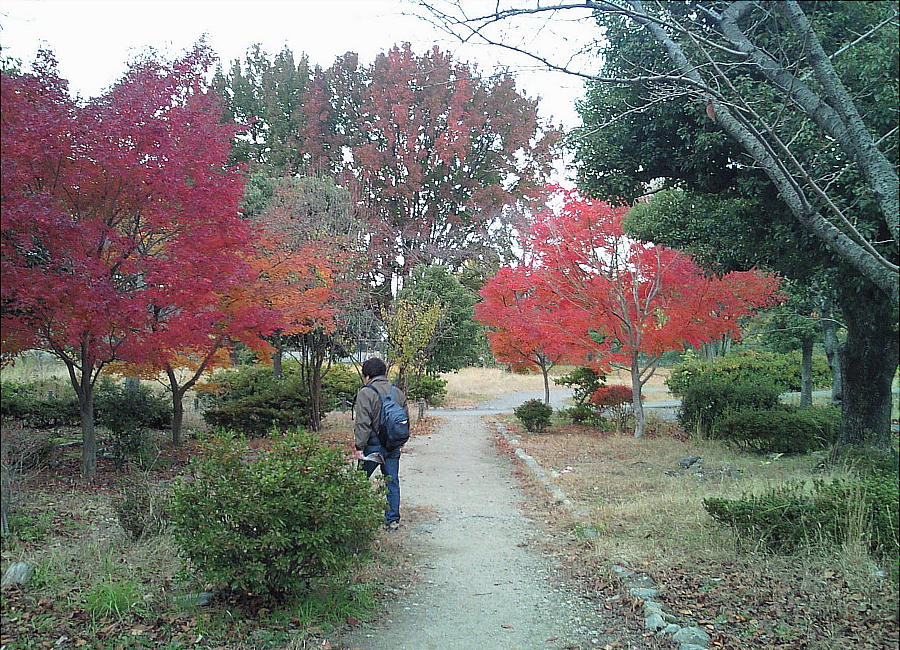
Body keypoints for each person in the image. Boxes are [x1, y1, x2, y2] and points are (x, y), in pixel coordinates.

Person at [353, 357, 407, 530]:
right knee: (392, 482)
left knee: (359, 481)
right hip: (392, 445)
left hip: (372, 446)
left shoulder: (366, 393)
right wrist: (400, 441)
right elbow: (404, 419)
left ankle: (356, 517)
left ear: (367, 376)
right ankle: (392, 520)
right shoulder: (397, 392)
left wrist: (359, 447)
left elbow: (363, 423)